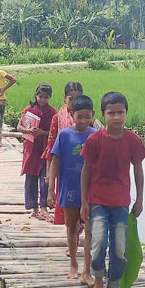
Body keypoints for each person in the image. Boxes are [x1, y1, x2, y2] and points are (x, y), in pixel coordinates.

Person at [81, 92, 145, 288]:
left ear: (126, 113)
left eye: (120, 112)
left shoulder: (133, 140)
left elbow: (138, 170)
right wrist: (84, 202)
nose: (117, 117)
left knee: (119, 248)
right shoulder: (95, 140)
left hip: (120, 203)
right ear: (103, 115)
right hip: (98, 201)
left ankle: (113, 287)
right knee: (98, 242)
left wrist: (140, 199)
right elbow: (86, 171)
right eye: (111, 113)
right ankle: (98, 280)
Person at [47, 95, 96, 283]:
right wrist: (51, 189)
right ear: (71, 114)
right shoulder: (65, 135)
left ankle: (87, 269)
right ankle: (73, 263)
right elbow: (55, 161)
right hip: (68, 188)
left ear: (92, 115)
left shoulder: (95, 135)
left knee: (90, 229)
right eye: (79, 116)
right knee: (71, 227)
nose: (83, 121)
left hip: (91, 190)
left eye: (87, 116)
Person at [42, 81, 84, 226]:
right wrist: (49, 175)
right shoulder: (58, 117)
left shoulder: (85, 117)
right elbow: (51, 146)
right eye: (71, 99)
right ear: (64, 98)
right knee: (67, 209)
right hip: (64, 169)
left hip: (83, 169)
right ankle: (71, 240)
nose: (74, 102)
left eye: (78, 98)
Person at [17, 84, 56, 220]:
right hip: (31, 148)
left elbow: (55, 131)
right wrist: (29, 131)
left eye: (46, 97)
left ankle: (44, 206)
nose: (43, 100)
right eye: (40, 97)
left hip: (45, 148)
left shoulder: (53, 112)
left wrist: (43, 133)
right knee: (31, 177)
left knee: (46, 177)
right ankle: (34, 207)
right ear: (35, 95)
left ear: (50, 98)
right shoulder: (28, 110)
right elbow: (19, 126)